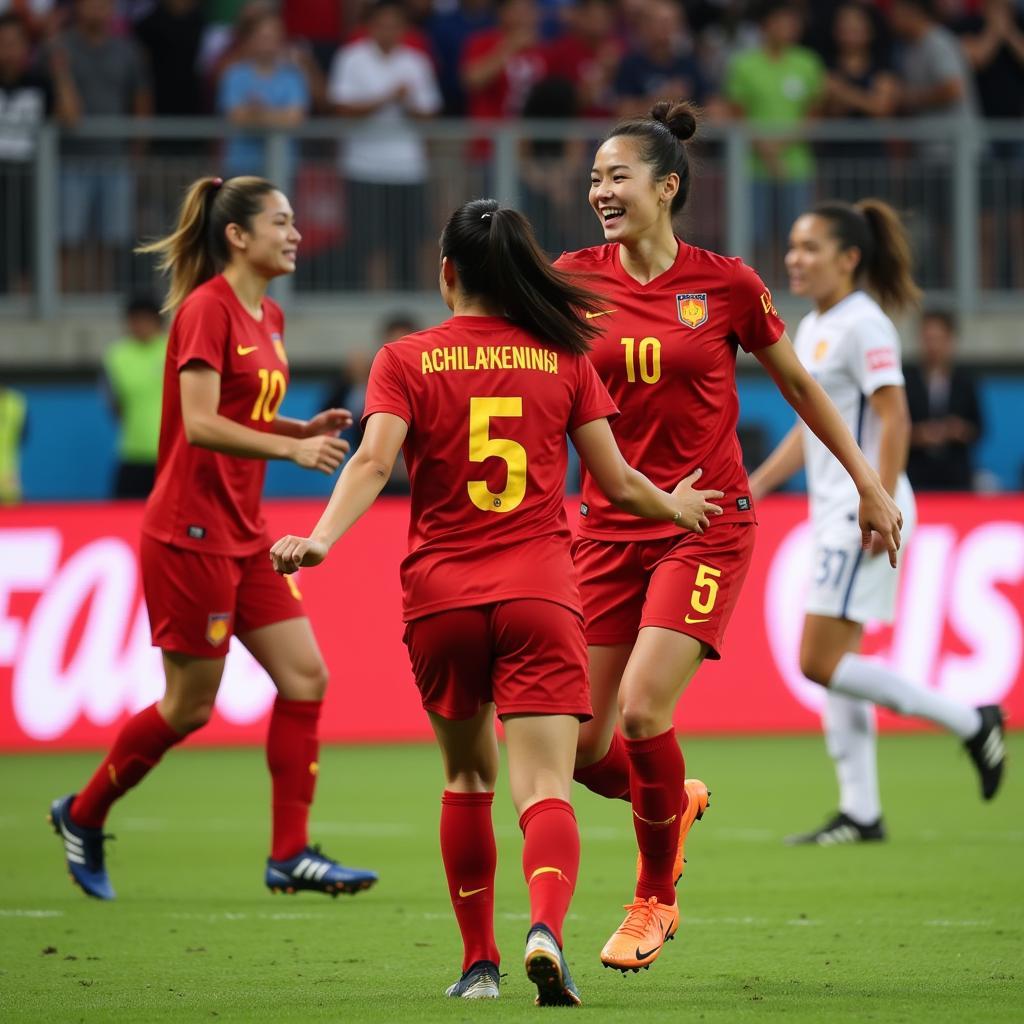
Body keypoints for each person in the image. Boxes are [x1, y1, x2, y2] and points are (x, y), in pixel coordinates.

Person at [269, 197, 724, 1005]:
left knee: (467, 779)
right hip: (542, 595)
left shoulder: (404, 358)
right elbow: (615, 482)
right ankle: (545, 927)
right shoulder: (565, 356)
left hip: (439, 598)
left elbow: (374, 464)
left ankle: (479, 966)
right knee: (545, 787)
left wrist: (322, 538)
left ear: (447, 273)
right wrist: (677, 508)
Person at [554, 100, 903, 974]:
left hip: (704, 523)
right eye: (594, 177)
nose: (600, 189)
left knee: (641, 710)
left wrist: (869, 483)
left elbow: (802, 388)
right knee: (582, 749)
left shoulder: (729, 286)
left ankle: (653, 901)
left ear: (667, 186)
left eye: (617, 175)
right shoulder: (567, 279)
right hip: (606, 528)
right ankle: (676, 794)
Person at [48, 175, 378, 902]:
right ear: (237, 235)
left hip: (243, 530)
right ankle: (82, 812)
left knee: (306, 678)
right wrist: (290, 453)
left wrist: (299, 427)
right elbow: (198, 423)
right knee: (189, 705)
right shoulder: (206, 309)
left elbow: (242, 409)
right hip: (188, 534)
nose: (295, 234)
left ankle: (289, 854)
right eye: (281, 222)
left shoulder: (271, 315)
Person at [748, 200, 1006, 845]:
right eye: (792, 246)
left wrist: (879, 500)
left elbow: (895, 418)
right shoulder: (812, 326)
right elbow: (812, 433)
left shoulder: (866, 325)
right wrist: (756, 484)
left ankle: (970, 720)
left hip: (861, 513)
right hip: (840, 509)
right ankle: (861, 810)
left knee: (817, 660)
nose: (794, 259)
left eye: (809, 248)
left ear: (849, 258)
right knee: (838, 659)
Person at [903, 311, 983, 492]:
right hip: (916, 477)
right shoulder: (905, 380)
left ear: (950, 340)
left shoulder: (965, 381)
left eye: (938, 338)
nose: (933, 346)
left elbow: (979, 428)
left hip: (956, 477)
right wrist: (919, 434)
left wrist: (959, 430)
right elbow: (891, 426)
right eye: (928, 338)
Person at [102, 295, 167, 499]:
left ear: (158, 321)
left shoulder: (175, 348)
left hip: (171, 456)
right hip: (132, 454)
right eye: (135, 320)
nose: (140, 325)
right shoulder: (116, 356)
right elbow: (114, 405)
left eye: (146, 319)